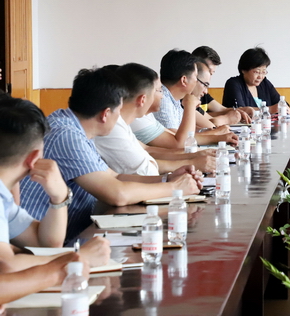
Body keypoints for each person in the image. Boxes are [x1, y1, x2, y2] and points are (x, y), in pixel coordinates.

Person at [20, 67, 202, 241]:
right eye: (118, 111)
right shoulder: (67, 135)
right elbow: (117, 194)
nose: (119, 119)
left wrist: (167, 179)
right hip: (41, 241)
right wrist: (175, 188)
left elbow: (114, 177)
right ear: (106, 114)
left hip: (69, 233)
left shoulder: (74, 126)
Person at [0, 96, 109, 271]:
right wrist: (79, 257)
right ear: (34, 158)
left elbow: (45, 244)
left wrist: (59, 197)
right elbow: (5, 265)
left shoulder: (4, 198)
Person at [94, 63, 216, 175]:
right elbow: (147, 170)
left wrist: (194, 156)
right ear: (142, 99)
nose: (162, 96)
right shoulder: (111, 126)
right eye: (159, 90)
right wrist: (191, 162)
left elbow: (147, 150)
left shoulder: (122, 122)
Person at [192, 46, 252, 123]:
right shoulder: (187, 96)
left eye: (212, 73)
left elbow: (221, 110)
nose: (209, 76)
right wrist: (227, 118)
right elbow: (206, 121)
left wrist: (240, 111)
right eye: (208, 71)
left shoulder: (202, 92)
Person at [222, 47, 281, 113]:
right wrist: (268, 109)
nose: (260, 76)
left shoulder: (265, 83)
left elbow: (280, 102)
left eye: (263, 72)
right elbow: (239, 111)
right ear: (244, 70)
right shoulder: (233, 84)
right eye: (256, 72)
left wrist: (284, 107)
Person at [155, 49, 198, 130]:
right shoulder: (163, 100)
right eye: (196, 76)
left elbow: (184, 131)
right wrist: (191, 105)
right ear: (184, 80)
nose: (196, 81)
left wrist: (213, 132)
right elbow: (181, 137)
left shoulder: (174, 99)